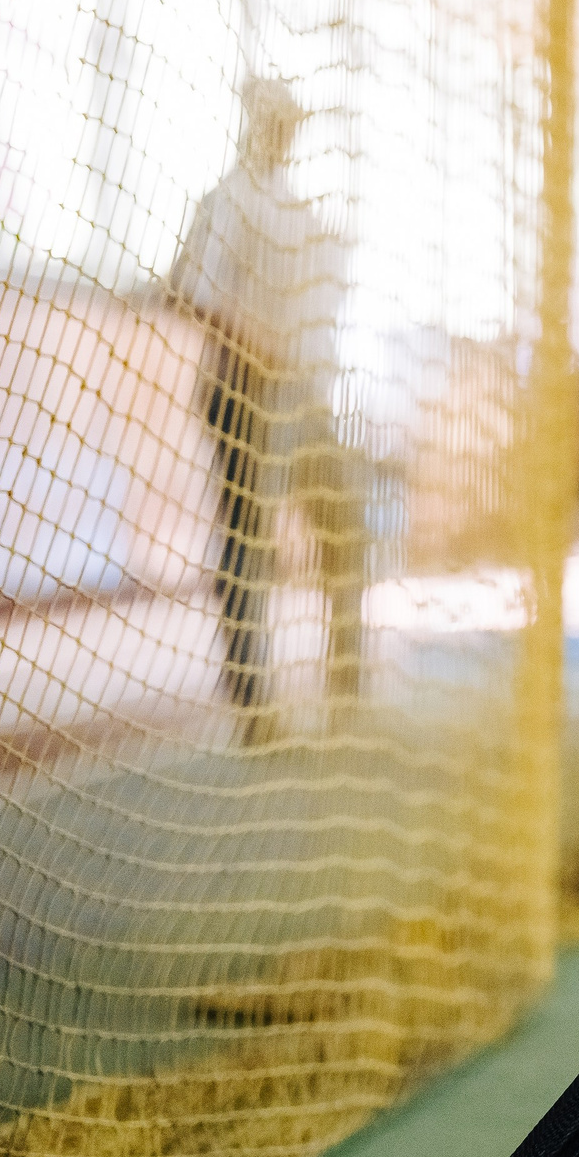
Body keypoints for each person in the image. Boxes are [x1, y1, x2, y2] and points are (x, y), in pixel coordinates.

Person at [165, 77, 362, 751]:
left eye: (292, 120)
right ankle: (255, 709)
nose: (284, 131)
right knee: (250, 543)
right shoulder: (229, 200)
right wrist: (261, 342)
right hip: (243, 391)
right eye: (275, 119)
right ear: (254, 121)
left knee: (344, 530)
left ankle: (347, 686)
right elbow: (189, 292)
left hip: (303, 394)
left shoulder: (295, 208)